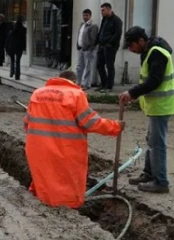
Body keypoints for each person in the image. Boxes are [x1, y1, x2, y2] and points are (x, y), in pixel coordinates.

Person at [25, 70, 124, 208]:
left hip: (37, 148)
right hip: (66, 150)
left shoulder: (38, 93)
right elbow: (90, 122)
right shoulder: (76, 95)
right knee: (66, 182)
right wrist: (115, 126)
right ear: (74, 81)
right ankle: (67, 208)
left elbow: (27, 123)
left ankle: (43, 202)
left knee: (44, 177)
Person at [119, 26, 174, 194]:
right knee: (151, 140)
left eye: (132, 45)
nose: (131, 49)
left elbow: (154, 81)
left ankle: (161, 182)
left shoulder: (157, 53)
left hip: (162, 106)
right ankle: (149, 174)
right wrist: (136, 95)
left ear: (141, 41)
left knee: (157, 144)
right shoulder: (149, 51)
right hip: (156, 106)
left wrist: (132, 93)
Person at [95, 3, 123, 92]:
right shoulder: (104, 19)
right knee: (99, 65)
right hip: (101, 46)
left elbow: (117, 34)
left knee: (109, 66)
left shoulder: (117, 20)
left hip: (110, 47)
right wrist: (97, 41)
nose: (101, 12)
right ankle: (103, 84)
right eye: (101, 10)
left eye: (103, 10)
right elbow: (101, 31)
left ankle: (109, 86)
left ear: (109, 9)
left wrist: (109, 43)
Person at [75, 9, 99, 90]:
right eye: (84, 15)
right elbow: (79, 36)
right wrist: (78, 46)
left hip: (88, 50)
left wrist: (90, 49)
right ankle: (78, 82)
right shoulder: (82, 24)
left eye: (86, 15)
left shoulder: (93, 25)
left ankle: (86, 84)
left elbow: (94, 39)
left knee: (87, 67)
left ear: (90, 16)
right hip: (81, 49)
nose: (85, 17)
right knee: (79, 66)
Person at [8, 15, 26, 80]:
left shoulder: (13, 29)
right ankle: (17, 76)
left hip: (12, 47)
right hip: (19, 47)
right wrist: (24, 47)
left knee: (12, 60)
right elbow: (24, 39)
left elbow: (9, 37)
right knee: (18, 61)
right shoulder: (23, 29)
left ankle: (11, 72)